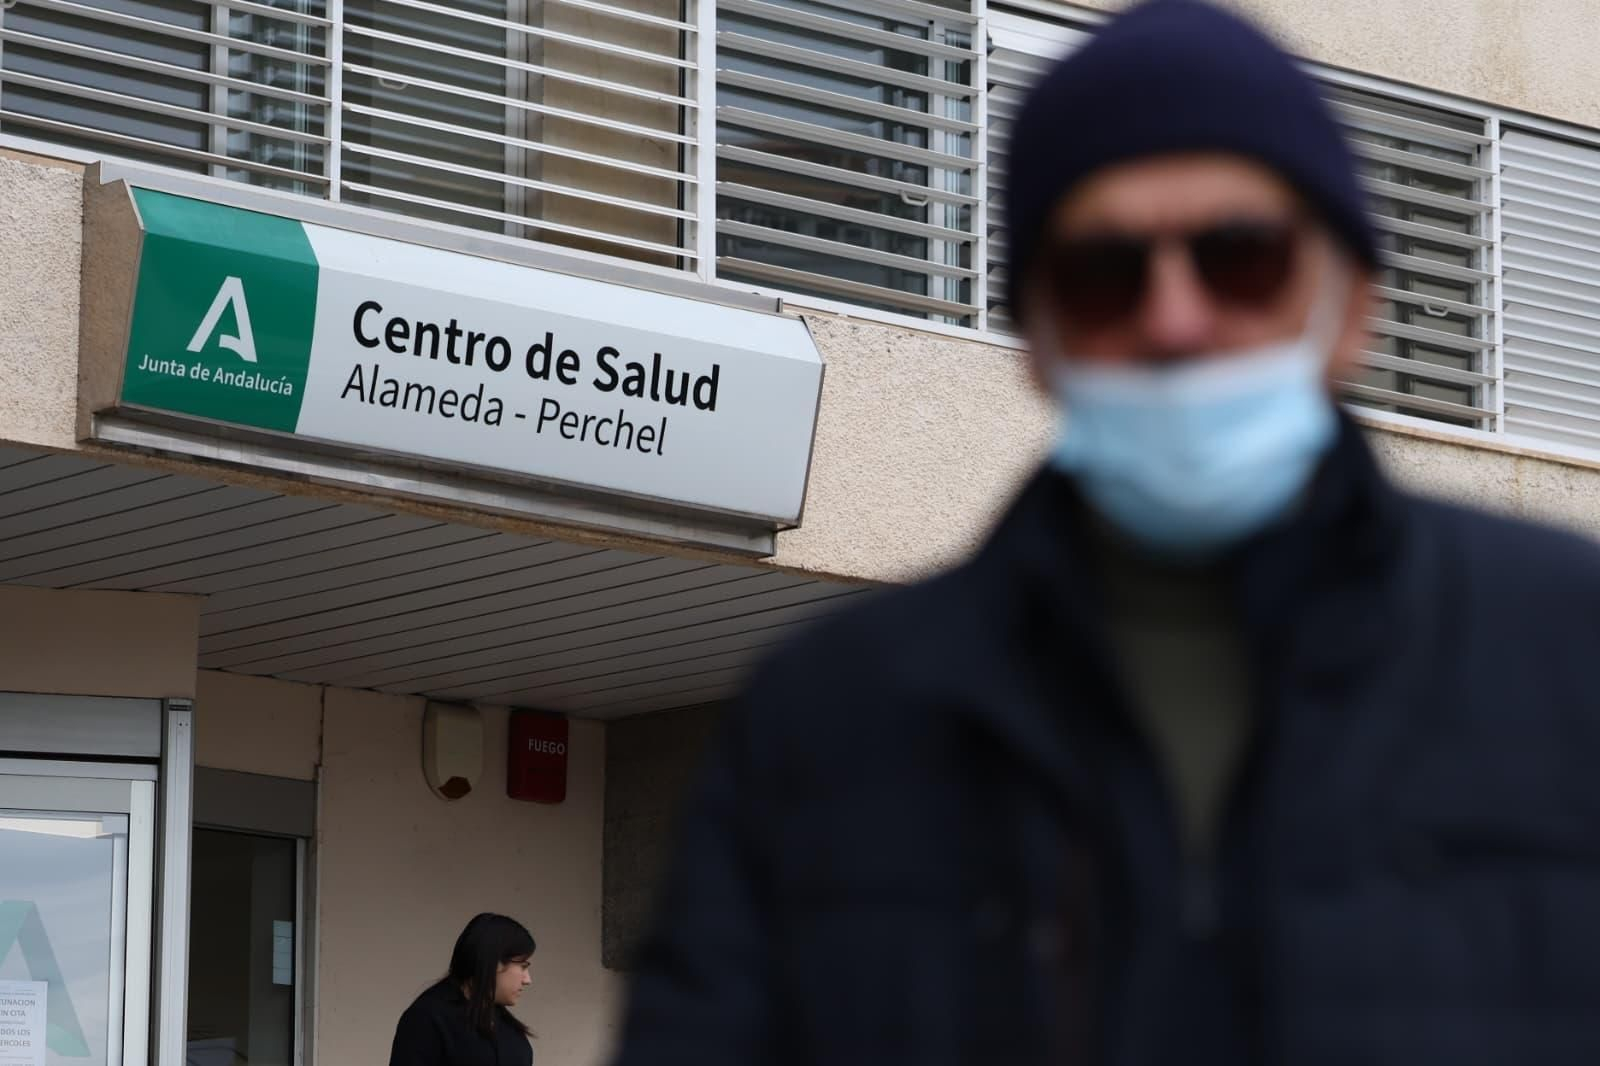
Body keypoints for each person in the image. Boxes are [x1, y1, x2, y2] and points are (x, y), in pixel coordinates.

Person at [611, 1, 1600, 1063]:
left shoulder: (1568, 653)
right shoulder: (825, 723)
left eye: (1240, 257)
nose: (1172, 318)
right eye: (1101, 271)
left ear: (1351, 302)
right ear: (1035, 336)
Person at [389, 913, 536, 1066]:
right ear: (495, 962)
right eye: (523, 966)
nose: (527, 980)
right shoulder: (428, 1018)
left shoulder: (508, 1029)